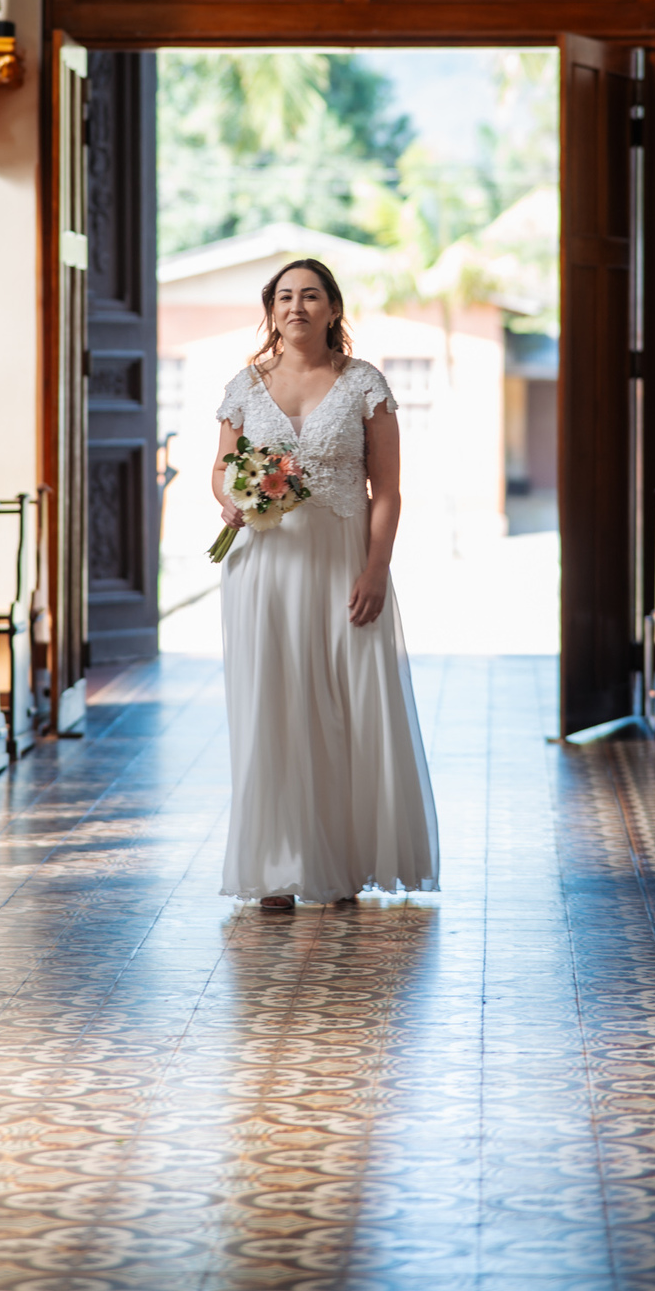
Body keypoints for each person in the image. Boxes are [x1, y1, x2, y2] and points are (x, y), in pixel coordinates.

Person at [212, 259, 440, 910]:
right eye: (285, 296)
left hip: (342, 562)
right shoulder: (244, 385)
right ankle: (277, 866)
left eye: (311, 295)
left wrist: (376, 568)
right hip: (263, 568)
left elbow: (388, 489)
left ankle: (340, 862)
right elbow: (221, 470)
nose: (297, 307)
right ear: (271, 309)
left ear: (333, 309)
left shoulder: (364, 384)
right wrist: (232, 499)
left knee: (345, 708)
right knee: (271, 707)